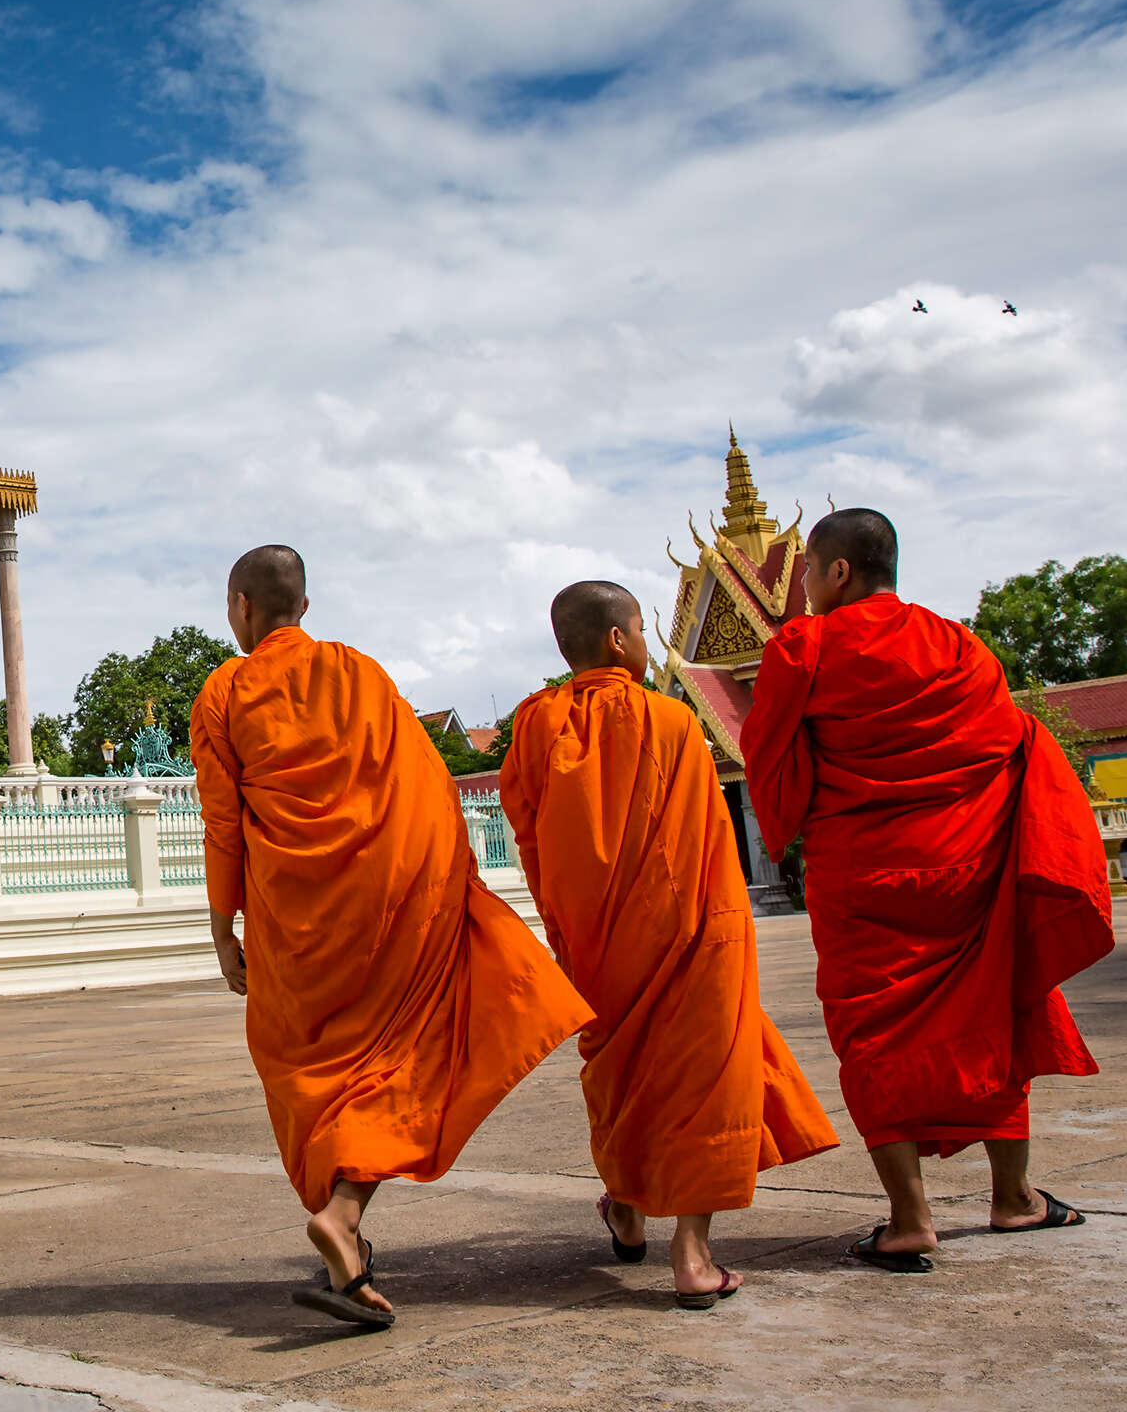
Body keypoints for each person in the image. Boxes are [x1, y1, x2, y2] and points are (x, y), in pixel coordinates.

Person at [191, 545, 589, 1329]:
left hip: (296, 923)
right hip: (395, 902)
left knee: (315, 1067)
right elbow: (427, 783)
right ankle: (345, 1216)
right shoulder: (361, 673)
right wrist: (450, 885)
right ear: (301, 607)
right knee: (407, 1050)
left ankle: (343, 1219)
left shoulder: (224, 692)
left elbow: (223, 824)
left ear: (241, 607)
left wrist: (221, 926)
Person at [740, 509, 1113, 1272]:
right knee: (997, 1008)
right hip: (966, 868)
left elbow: (771, 762)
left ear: (838, 572)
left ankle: (909, 1220)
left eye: (808, 570)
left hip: (862, 878)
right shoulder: (959, 646)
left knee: (873, 1034)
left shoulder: (803, 648)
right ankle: (1014, 1199)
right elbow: (1010, 743)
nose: (804, 588)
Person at [501, 580, 838, 1309]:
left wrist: (565, 922)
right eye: (645, 632)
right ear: (620, 641)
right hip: (690, 934)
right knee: (700, 1082)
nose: (651, 646)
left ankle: (624, 1205)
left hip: (594, 942)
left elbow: (529, 838)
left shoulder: (534, 726)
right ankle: (692, 1255)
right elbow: (708, 847)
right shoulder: (673, 723)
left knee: (623, 1082)